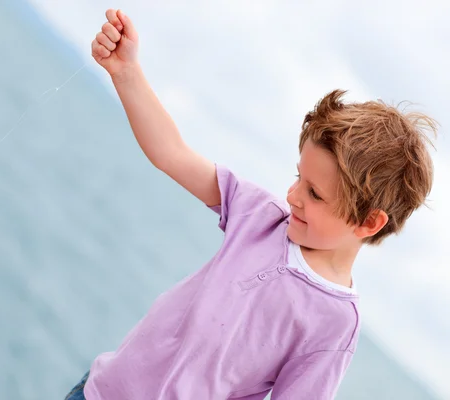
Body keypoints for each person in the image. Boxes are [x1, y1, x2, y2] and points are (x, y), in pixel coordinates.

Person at [65, 8, 439, 400]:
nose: (293, 195)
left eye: (315, 194)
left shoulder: (334, 324)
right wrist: (126, 73)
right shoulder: (261, 217)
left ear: (368, 223)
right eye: (299, 178)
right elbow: (172, 154)